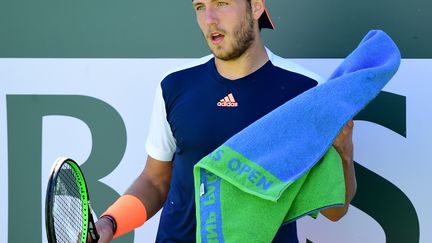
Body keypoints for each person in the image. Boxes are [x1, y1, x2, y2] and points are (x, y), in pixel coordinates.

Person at [95, 0, 357, 242]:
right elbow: (155, 180)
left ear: (255, 7)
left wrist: (344, 153)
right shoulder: (174, 85)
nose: (209, 18)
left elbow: (335, 211)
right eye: (200, 6)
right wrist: (110, 222)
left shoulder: (307, 92)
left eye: (221, 3)